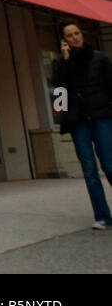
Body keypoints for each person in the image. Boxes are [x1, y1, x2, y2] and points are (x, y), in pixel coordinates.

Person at [51, 18, 112, 229]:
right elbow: (59, 94)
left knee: (110, 165)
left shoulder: (100, 59)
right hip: (78, 123)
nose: (75, 38)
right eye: (70, 35)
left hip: (102, 117)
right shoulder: (60, 63)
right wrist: (66, 63)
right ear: (63, 41)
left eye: (77, 33)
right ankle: (102, 216)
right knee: (89, 170)